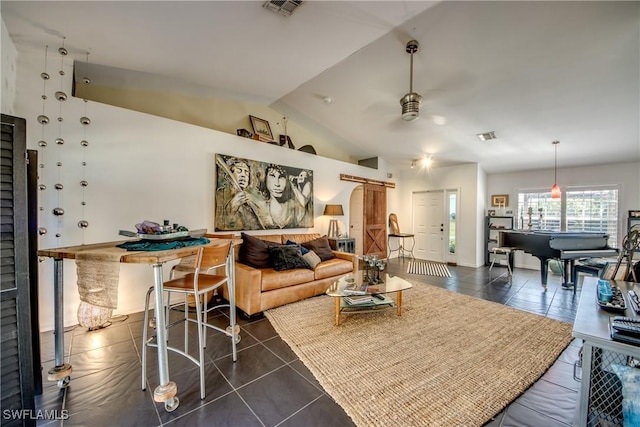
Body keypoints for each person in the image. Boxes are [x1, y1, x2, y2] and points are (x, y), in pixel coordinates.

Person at [215, 156, 264, 230]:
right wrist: (232, 207)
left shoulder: (250, 200)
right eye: (239, 171)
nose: (243, 175)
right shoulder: (220, 195)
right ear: (229, 175)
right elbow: (219, 225)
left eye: (246, 173)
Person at [258, 164, 305, 229]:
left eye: (281, 177)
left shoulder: (297, 210)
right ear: (265, 178)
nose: (277, 184)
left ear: (288, 180)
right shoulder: (260, 209)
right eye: (272, 176)